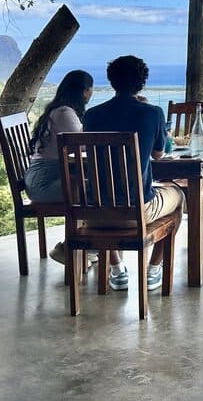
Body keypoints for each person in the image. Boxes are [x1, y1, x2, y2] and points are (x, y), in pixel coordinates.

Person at [82, 55, 184, 292]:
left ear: (112, 81)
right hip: (136, 212)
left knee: (106, 195)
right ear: (142, 82)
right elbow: (159, 154)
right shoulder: (152, 113)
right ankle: (153, 270)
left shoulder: (92, 115)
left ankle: (117, 270)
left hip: (94, 214)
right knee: (179, 196)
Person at [24, 69, 94, 264]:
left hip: (45, 179)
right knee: (99, 191)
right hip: (43, 185)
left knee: (93, 189)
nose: (90, 94)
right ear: (84, 91)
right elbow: (85, 143)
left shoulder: (60, 110)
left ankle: (88, 245)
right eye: (90, 89)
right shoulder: (65, 113)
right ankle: (71, 247)